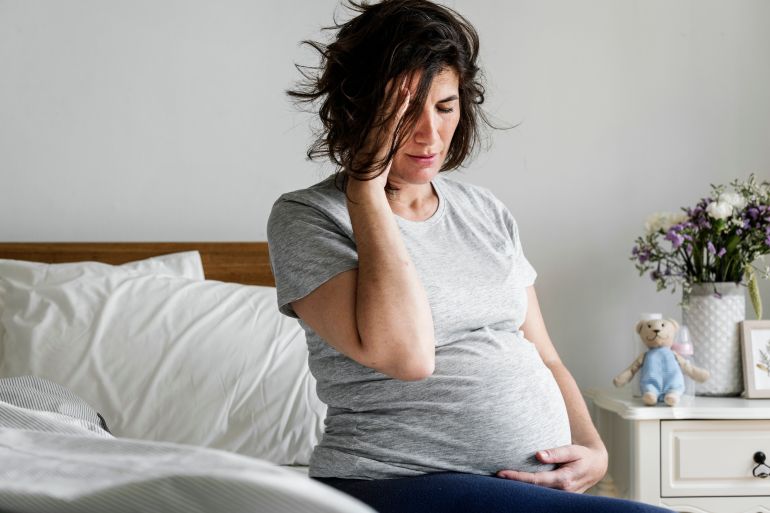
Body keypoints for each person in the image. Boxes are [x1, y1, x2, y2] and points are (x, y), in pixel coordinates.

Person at [267, 1, 672, 511]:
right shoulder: (307, 217)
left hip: (520, 488)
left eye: (444, 106)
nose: (429, 134)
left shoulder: (484, 210)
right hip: (393, 482)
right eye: (403, 109)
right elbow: (406, 357)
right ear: (359, 108)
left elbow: (544, 354)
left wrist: (593, 449)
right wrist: (365, 188)